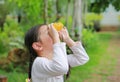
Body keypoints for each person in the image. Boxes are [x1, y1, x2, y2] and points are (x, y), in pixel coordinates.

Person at [24, 23, 89, 82]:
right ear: (38, 46)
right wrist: (55, 38)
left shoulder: (56, 59)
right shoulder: (39, 63)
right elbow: (61, 68)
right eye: (48, 32)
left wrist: (67, 39)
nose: (54, 33)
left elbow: (82, 58)